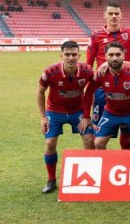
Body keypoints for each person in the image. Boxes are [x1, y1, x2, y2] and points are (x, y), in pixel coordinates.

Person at [80, 41, 130, 149]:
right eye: (111, 55)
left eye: (118, 55)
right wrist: (86, 117)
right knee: (98, 143)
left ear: (123, 55)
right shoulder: (101, 74)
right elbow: (89, 93)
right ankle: (106, 165)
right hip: (111, 113)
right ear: (105, 56)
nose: (114, 58)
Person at [37, 41, 95, 194]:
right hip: (55, 111)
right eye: (67, 55)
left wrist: (87, 116)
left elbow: (92, 92)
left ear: (79, 56)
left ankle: (92, 177)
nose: (71, 58)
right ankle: (51, 179)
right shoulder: (50, 72)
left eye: (74, 55)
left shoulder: (87, 71)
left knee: (89, 139)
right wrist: (43, 117)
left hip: (78, 111)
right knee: (50, 142)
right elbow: (40, 92)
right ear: (61, 56)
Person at [86, 0, 130, 150]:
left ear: (121, 15)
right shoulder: (96, 35)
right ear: (105, 15)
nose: (114, 16)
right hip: (102, 88)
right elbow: (89, 64)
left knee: (125, 128)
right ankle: (98, 163)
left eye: (117, 13)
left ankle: (125, 160)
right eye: (111, 13)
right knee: (98, 129)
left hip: (126, 86)